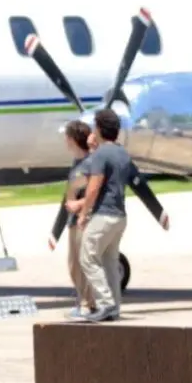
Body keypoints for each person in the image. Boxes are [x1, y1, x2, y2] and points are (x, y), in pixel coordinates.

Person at [74, 108, 134, 323]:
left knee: (88, 257)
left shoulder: (101, 154)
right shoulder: (122, 152)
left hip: (103, 214)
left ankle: (105, 303)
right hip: (120, 216)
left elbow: (94, 186)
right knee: (109, 262)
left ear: (99, 129)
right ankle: (114, 308)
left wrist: (83, 213)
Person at [47, 120, 98, 318]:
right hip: (73, 221)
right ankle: (84, 301)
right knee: (73, 265)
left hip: (84, 221)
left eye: (67, 137)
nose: (65, 141)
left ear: (72, 140)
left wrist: (81, 210)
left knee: (82, 264)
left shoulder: (90, 164)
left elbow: (94, 193)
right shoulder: (77, 164)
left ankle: (88, 304)